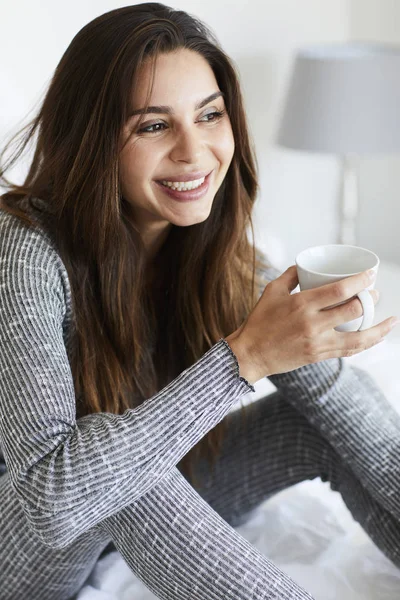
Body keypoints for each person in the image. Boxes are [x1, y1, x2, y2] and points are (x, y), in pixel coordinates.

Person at [0, 4, 399, 599]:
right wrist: (241, 362)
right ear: (92, 138)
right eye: (153, 125)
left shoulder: (211, 250)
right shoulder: (23, 252)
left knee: (317, 417)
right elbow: (51, 502)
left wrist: (307, 345)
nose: (195, 151)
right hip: (24, 549)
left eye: (209, 115)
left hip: (134, 504)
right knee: (116, 465)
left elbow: (335, 397)